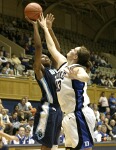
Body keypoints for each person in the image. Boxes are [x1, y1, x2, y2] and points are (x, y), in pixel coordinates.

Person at [39, 13, 96, 150]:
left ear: (75, 56)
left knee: (84, 148)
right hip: (69, 116)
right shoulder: (64, 64)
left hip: (80, 114)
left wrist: (78, 77)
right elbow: (52, 47)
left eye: (73, 49)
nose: (70, 49)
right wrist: (46, 28)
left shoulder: (77, 68)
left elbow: (86, 77)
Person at [25, 14, 62, 150]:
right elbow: (39, 47)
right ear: (38, 62)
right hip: (48, 109)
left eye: (47, 56)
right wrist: (35, 26)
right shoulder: (40, 72)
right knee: (46, 146)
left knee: (54, 145)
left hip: (59, 109)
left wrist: (50, 29)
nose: (46, 56)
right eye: (43, 57)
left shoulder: (54, 69)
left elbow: (57, 50)